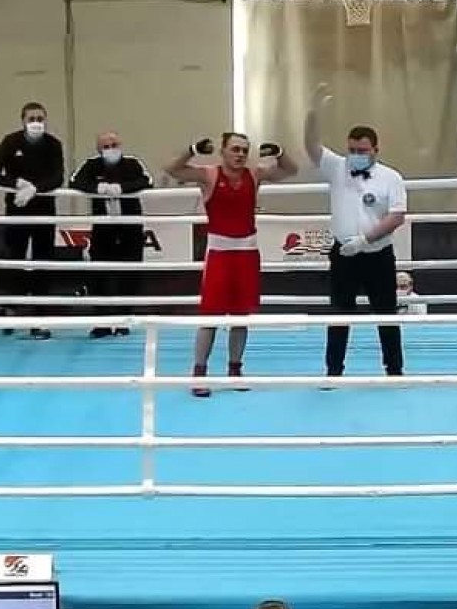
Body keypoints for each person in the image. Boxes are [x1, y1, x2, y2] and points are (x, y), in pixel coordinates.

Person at [164, 132, 296, 397]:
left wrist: (280, 153)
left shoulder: (254, 175)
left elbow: (290, 170)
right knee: (209, 317)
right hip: (220, 254)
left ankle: (235, 370)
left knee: (241, 317)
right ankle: (199, 373)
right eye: (235, 149)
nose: (240, 155)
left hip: (247, 253)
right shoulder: (209, 175)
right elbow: (172, 169)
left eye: (244, 150)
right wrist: (192, 149)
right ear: (223, 151)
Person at [303, 83, 407, 378]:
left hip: (378, 254)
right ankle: (333, 371)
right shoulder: (337, 167)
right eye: (351, 150)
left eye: (362, 151)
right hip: (343, 254)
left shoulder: (391, 177)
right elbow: (311, 145)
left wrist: (364, 240)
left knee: (387, 314)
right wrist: (313, 112)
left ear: (375, 150)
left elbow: (397, 216)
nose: (356, 155)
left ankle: (394, 370)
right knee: (339, 313)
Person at [0, 101, 65, 340]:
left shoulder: (53, 144)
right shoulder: (11, 142)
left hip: (44, 211)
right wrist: (16, 183)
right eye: (32, 119)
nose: (36, 123)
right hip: (17, 210)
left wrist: (35, 189)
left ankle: (40, 318)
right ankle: (12, 311)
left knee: (43, 262)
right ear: (23, 121)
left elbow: (58, 177)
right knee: (14, 259)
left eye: (40, 118)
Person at [68, 131, 154, 338]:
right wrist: (96, 188)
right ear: (99, 150)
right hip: (103, 228)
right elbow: (73, 181)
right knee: (98, 274)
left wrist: (122, 188)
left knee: (130, 274)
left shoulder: (132, 164)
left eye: (114, 144)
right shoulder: (91, 165)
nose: (111, 149)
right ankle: (102, 321)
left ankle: (124, 320)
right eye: (106, 146)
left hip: (130, 228)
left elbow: (148, 180)